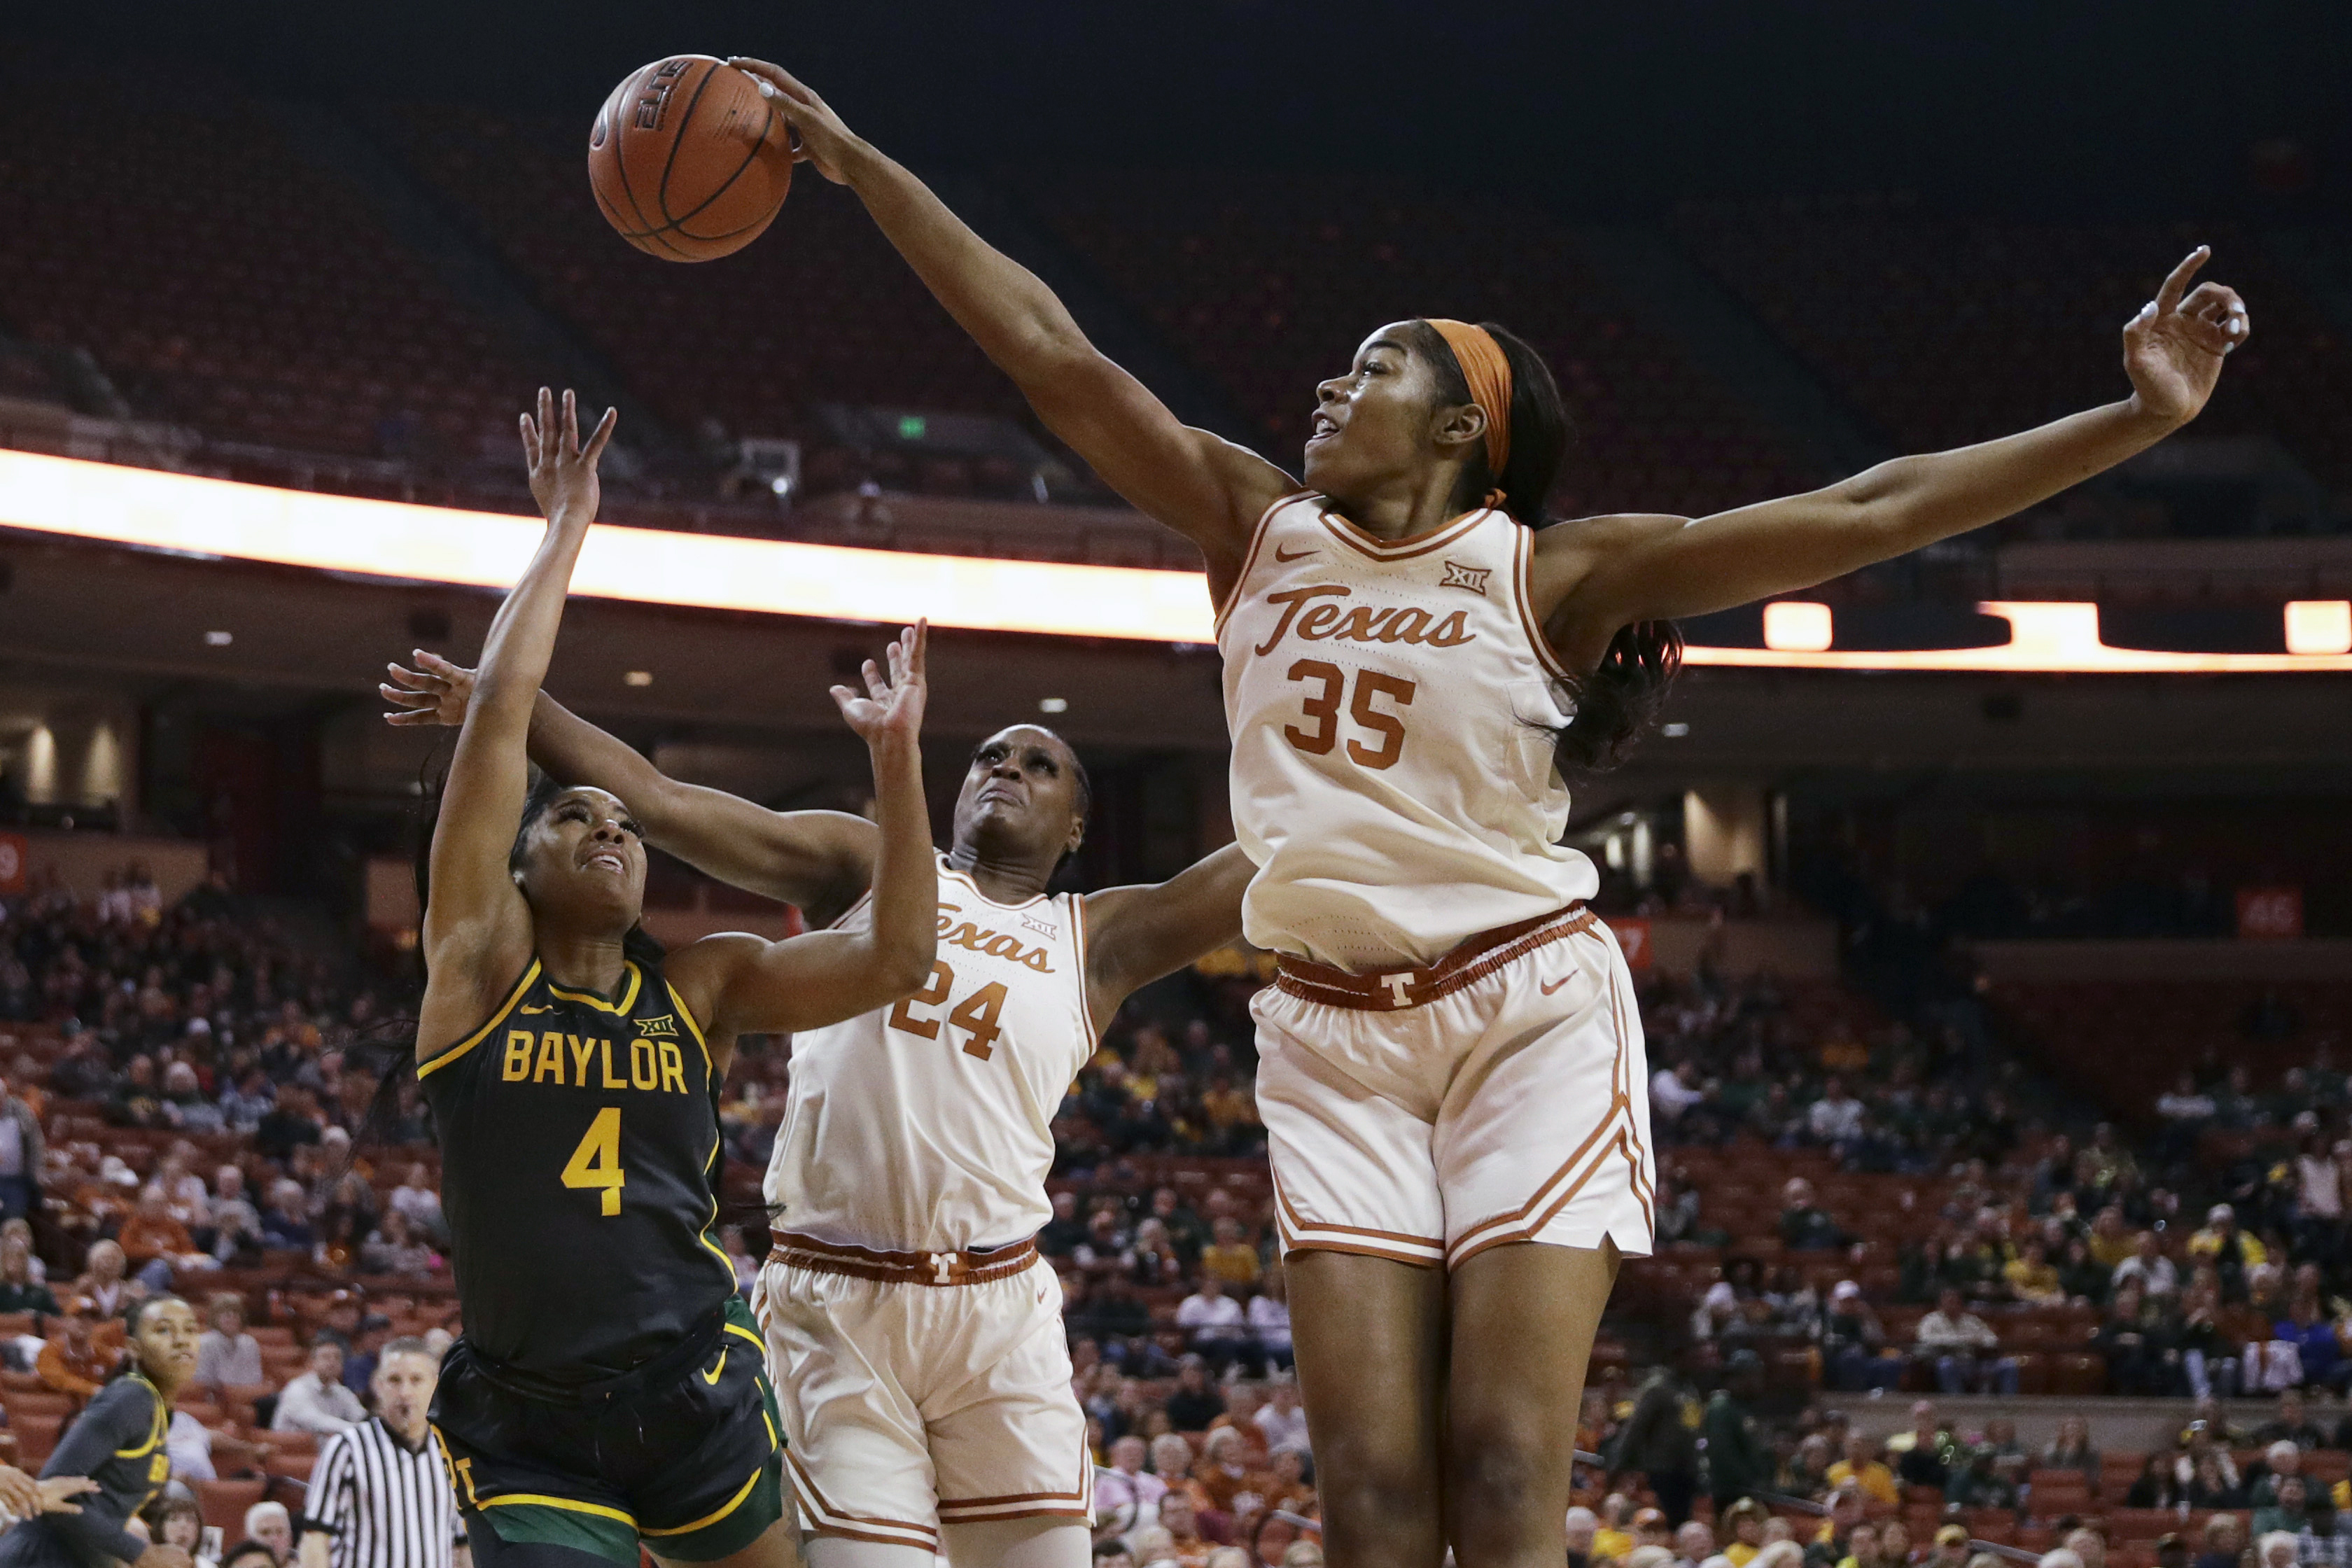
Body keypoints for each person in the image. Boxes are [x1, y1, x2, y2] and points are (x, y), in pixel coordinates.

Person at [729, 52, 2252, 1568]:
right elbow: (1052, 355)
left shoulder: (1555, 574)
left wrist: (2131, 418)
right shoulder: (1255, 526)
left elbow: (1872, 510)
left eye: (1377, 366)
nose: (1334, 382)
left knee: (1511, 1461)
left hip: (1523, 1009)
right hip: (1327, 1035)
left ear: (1464, 429)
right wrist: (866, 170)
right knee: (1376, 1503)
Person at [390, 573, 1252, 1568]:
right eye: (985, 755)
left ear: (1075, 830)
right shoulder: (871, 861)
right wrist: (507, 703)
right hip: (836, 1290)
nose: (1004, 768)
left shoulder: (1099, 934)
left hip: (997, 1298)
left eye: (1039, 764)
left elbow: (1272, 852)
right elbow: (663, 802)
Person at [404, 391, 939, 1568]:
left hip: (694, 1387)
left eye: (625, 822)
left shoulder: (700, 991)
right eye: (575, 819)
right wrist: (565, 529)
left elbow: (902, 957)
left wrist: (896, 769)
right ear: (521, 865)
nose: (610, 827)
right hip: (531, 1422)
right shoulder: (479, 968)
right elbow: (499, 716)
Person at [0, 1295, 200, 1568]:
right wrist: (141, 1553)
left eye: (190, 1329)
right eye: (164, 1330)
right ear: (133, 1348)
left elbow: (103, 1512)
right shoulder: (130, 1397)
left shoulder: (159, 1409)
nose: (181, 1340)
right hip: (39, 1557)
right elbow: (55, 1492)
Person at [298, 1338, 463, 1568]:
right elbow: (315, 1537)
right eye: (395, 1380)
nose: (405, 1392)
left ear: (435, 1386)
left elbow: (464, 1544)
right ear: (378, 1385)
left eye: (416, 1380)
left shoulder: (451, 1452)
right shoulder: (347, 1448)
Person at [1609, 1363, 1698, 1526]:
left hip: (1687, 1470)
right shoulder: (1657, 1387)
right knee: (1662, 1521)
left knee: (1682, 1522)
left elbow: (1693, 1428)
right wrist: (1618, 1464)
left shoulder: (1689, 1388)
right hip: (1661, 1470)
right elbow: (1636, 1427)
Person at [271, 1341, 366, 1434]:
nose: (332, 1362)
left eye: (337, 1358)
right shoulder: (297, 1389)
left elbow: (361, 1416)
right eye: (326, 1357)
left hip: (327, 1447)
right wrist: (357, 1428)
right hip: (292, 1447)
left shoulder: (342, 1391)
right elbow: (316, 1422)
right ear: (312, 1362)